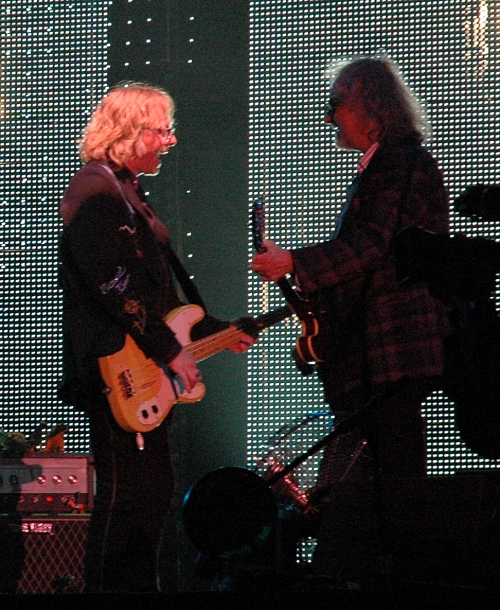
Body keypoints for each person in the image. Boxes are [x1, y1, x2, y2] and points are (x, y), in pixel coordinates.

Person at [251, 56, 453, 586]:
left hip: (393, 354)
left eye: (337, 102)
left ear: (373, 106)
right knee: (366, 481)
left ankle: (393, 577)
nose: (328, 115)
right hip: (370, 357)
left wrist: (294, 262)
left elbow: (371, 247)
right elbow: (365, 264)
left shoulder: (402, 163)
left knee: (388, 479)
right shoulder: (384, 165)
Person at [58, 82, 257, 593]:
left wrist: (212, 331)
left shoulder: (129, 195)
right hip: (115, 365)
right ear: (129, 132)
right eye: (162, 130)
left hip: (146, 364)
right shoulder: (93, 189)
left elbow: (161, 298)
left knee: (151, 495)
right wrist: (168, 348)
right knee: (124, 494)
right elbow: (111, 283)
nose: (170, 141)